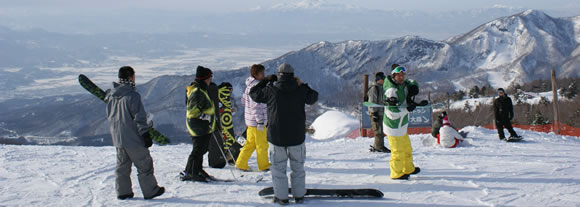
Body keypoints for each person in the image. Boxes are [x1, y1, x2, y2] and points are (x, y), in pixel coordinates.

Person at [250, 63, 318, 205]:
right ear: (293, 75)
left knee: (278, 169)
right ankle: (299, 196)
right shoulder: (300, 89)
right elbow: (313, 97)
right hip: (296, 136)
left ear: (278, 75)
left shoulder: (271, 90)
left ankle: (282, 198)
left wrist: (265, 81)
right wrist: (302, 84)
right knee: (298, 168)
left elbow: (254, 94)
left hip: (277, 136)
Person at [104, 66, 164, 200]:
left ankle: (123, 192)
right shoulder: (132, 96)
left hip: (118, 138)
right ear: (131, 77)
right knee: (144, 164)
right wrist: (145, 134)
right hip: (133, 138)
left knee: (122, 166)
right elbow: (139, 117)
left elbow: (111, 116)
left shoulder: (110, 96)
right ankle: (151, 190)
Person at [383, 65, 422, 180]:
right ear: (394, 75)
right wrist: (406, 109)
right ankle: (396, 173)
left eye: (403, 75)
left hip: (402, 124)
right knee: (397, 151)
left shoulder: (400, 83)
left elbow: (411, 81)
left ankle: (408, 168)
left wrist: (414, 86)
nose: (402, 77)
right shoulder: (391, 91)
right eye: (399, 75)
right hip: (393, 126)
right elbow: (391, 112)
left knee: (407, 148)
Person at [181, 66, 217, 182]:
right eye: (209, 77)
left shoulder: (200, 89)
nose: (210, 80)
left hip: (202, 125)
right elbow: (192, 112)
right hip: (198, 125)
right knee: (198, 149)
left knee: (201, 148)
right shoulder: (197, 91)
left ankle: (196, 169)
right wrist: (205, 117)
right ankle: (191, 172)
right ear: (205, 78)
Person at [236, 64, 271, 172]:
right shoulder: (257, 88)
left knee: (250, 143)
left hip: (250, 121)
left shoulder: (249, 86)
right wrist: (260, 121)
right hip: (257, 123)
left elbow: (243, 101)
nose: (263, 75)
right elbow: (256, 106)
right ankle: (264, 165)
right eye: (261, 73)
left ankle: (241, 163)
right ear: (255, 74)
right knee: (262, 144)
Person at [367, 72, 390, 153]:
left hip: (381, 113)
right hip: (376, 113)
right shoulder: (374, 89)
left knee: (381, 130)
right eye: (383, 78)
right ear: (379, 80)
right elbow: (372, 102)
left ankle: (379, 145)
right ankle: (378, 147)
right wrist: (374, 113)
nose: (384, 80)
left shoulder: (381, 88)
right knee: (378, 131)